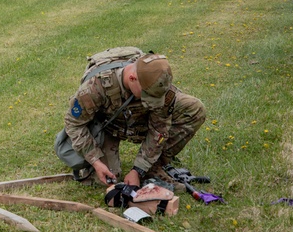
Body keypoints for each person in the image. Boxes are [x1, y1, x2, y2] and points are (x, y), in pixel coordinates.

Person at [57, 48, 206, 189]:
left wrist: (138, 170)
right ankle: (95, 164)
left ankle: (155, 166)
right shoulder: (95, 88)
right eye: (147, 95)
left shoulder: (156, 84)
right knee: (108, 178)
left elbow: (159, 129)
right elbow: (74, 124)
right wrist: (95, 161)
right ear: (132, 78)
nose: (151, 100)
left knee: (194, 108)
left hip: (138, 121)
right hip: (109, 125)